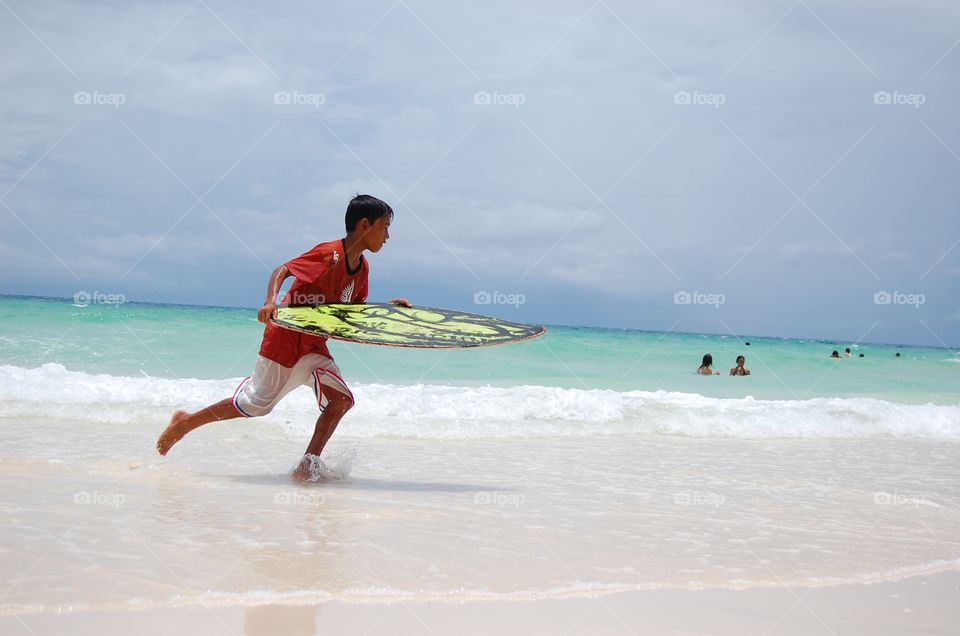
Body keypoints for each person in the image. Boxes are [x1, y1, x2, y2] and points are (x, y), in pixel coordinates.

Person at [156, 194, 409, 481]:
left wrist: (387, 309)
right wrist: (270, 302)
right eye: (385, 227)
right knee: (256, 406)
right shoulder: (331, 254)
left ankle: (307, 465)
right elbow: (283, 269)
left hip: (313, 344)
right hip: (284, 341)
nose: (387, 236)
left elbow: (351, 312)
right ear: (365, 225)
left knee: (341, 400)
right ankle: (185, 422)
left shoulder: (361, 269)